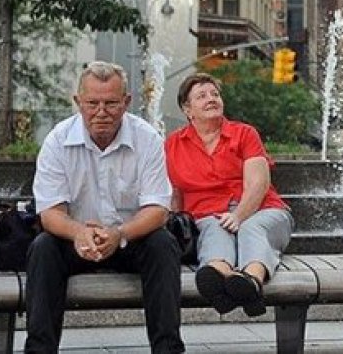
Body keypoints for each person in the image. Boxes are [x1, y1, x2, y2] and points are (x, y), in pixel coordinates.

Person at [27, 61, 184, 353]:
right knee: (43, 247)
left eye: (111, 103)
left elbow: (158, 210)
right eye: (92, 103)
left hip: (130, 239)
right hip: (75, 241)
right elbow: (50, 214)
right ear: (78, 102)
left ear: (126, 102)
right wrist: (78, 234)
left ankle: (168, 349)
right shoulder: (57, 141)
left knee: (163, 244)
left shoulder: (147, 138)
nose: (101, 112)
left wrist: (119, 234)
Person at [165, 73, 293, 317]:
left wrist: (239, 215)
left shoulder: (244, 133)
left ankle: (251, 280)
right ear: (187, 109)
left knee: (250, 227)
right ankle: (218, 273)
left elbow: (259, 182)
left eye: (215, 94)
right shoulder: (172, 145)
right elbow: (173, 194)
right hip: (207, 216)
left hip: (263, 211)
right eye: (201, 96)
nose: (211, 99)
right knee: (214, 227)